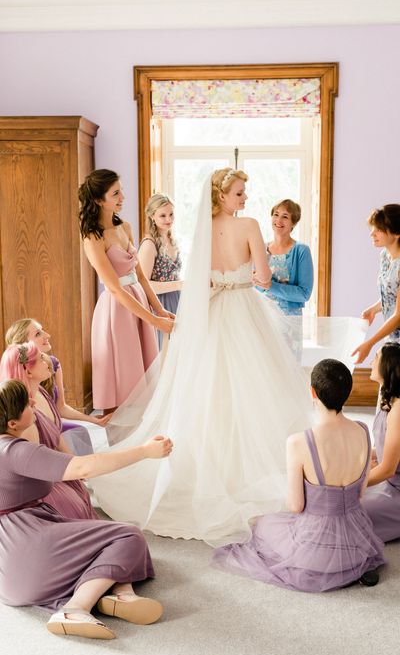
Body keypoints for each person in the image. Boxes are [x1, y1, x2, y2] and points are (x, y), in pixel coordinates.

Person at [92, 168, 313, 547]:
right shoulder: (248, 226)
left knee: (208, 391)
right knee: (255, 388)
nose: (245, 198)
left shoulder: (204, 230)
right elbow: (263, 278)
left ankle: (211, 467)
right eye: (240, 193)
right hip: (243, 309)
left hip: (212, 311)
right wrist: (249, 277)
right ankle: (249, 468)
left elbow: (198, 280)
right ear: (223, 196)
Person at [0, 378, 172, 640]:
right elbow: (83, 467)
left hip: (9, 570)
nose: (33, 402)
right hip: (27, 546)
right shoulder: (15, 452)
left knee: (97, 541)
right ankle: (75, 609)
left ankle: (121, 594)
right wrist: (145, 451)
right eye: (26, 403)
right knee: (128, 536)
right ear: (12, 424)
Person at [212, 359, 385, 591]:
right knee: (274, 525)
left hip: (315, 550)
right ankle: (351, 569)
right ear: (348, 392)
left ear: (313, 392)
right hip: (357, 542)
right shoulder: (363, 430)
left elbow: (296, 506)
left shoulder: (299, 441)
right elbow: (361, 493)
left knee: (263, 525)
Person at [79, 169, 174, 413]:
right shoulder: (92, 237)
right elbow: (114, 288)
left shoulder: (126, 227)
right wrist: (154, 320)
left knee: (143, 377)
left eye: (121, 191)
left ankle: (142, 433)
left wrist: (160, 310)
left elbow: (140, 276)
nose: (123, 197)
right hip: (116, 309)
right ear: (99, 200)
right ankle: (117, 434)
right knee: (119, 376)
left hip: (138, 300)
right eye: (115, 194)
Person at [0, 342, 98, 519]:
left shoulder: (41, 394)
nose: (48, 362)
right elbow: (33, 470)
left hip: (59, 471)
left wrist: (72, 462)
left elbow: (57, 436)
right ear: (28, 371)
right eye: (41, 359)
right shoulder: (27, 420)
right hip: (46, 484)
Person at [5, 317, 110, 430]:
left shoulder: (53, 363)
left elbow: (61, 407)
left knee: (79, 430)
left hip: (52, 422)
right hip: (31, 427)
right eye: (38, 334)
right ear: (24, 345)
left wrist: (94, 420)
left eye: (42, 331)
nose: (47, 335)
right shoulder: (14, 377)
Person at [256, 199, 314, 360]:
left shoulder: (301, 251)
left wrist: (270, 286)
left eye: (285, 216)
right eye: (276, 215)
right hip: (263, 319)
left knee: (287, 366)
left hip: (289, 324)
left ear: (293, 223)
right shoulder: (260, 248)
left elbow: (304, 293)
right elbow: (253, 283)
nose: (278, 220)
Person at [352, 204, 400, 364]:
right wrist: (374, 309)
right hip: (393, 337)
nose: (372, 233)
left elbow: (398, 315)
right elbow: (392, 293)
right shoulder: (385, 256)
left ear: (396, 233)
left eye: (379, 229)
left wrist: (370, 344)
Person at [362, 343, 400, 541]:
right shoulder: (388, 398)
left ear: (387, 365)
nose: (371, 362)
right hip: (389, 483)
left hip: (396, 489)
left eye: (376, 357)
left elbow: (387, 469)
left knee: (348, 510)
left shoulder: (399, 410)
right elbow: (381, 447)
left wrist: (352, 484)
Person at [138, 194, 183, 348]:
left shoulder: (172, 240)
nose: (168, 219)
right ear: (152, 216)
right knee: (163, 351)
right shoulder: (149, 245)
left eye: (171, 214)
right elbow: (143, 284)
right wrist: (179, 284)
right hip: (159, 305)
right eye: (162, 215)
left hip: (177, 301)